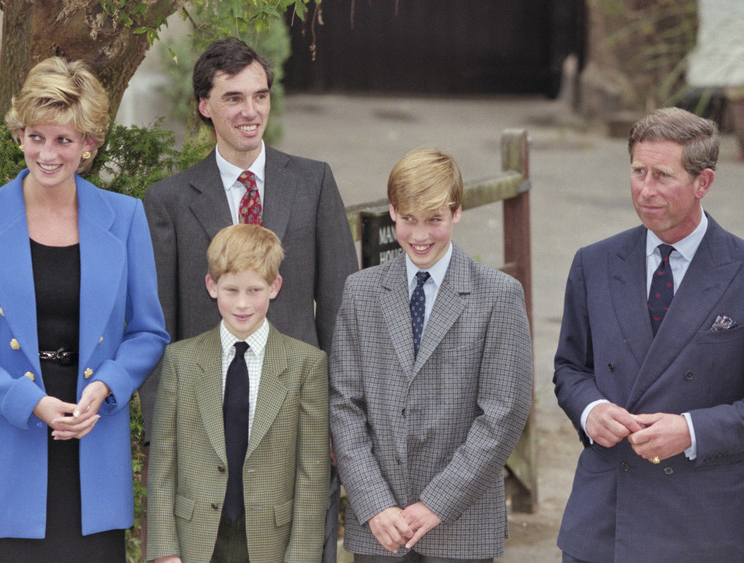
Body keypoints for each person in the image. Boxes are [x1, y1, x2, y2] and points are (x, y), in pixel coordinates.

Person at [0, 57, 169, 561]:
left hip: (93, 444)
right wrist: (27, 402)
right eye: (37, 136)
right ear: (19, 135)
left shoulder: (124, 217)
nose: (48, 153)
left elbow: (148, 332)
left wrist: (106, 387)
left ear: (89, 143)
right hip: (10, 440)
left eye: (65, 139)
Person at [553, 107, 744, 562]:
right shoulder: (593, 263)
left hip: (703, 524)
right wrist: (590, 411)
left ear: (703, 182)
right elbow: (571, 368)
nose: (645, 190)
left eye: (662, 176)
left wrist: (691, 430)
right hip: (604, 520)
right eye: (638, 171)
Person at [140, 37, 357, 561]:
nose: (250, 111)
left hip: (298, 422)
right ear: (204, 106)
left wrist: (340, 423)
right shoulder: (168, 201)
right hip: (207, 427)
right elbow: (158, 326)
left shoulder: (314, 182)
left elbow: (340, 313)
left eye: (260, 96)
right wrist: (158, 437)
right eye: (234, 98)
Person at [329, 148, 532, 562]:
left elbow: (503, 413)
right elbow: (343, 404)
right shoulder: (361, 291)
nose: (420, 235)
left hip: (462, 523)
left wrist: (438, 502)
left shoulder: (498, 295)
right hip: (381, 526)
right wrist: (373, 502)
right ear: (392, 212)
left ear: (456, 212)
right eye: (408, 220)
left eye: (434, 220)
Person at [146, 223, 330, 562]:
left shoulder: (307, 364)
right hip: (195, 538)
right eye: (231, 290)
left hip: (271, 541)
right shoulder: (181, 360)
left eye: (255, 290)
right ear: (211, 286)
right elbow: (163, 464)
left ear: (275, 286)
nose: (242, 304)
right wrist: (164, 550)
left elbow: (312, 473)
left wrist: (301, 555)